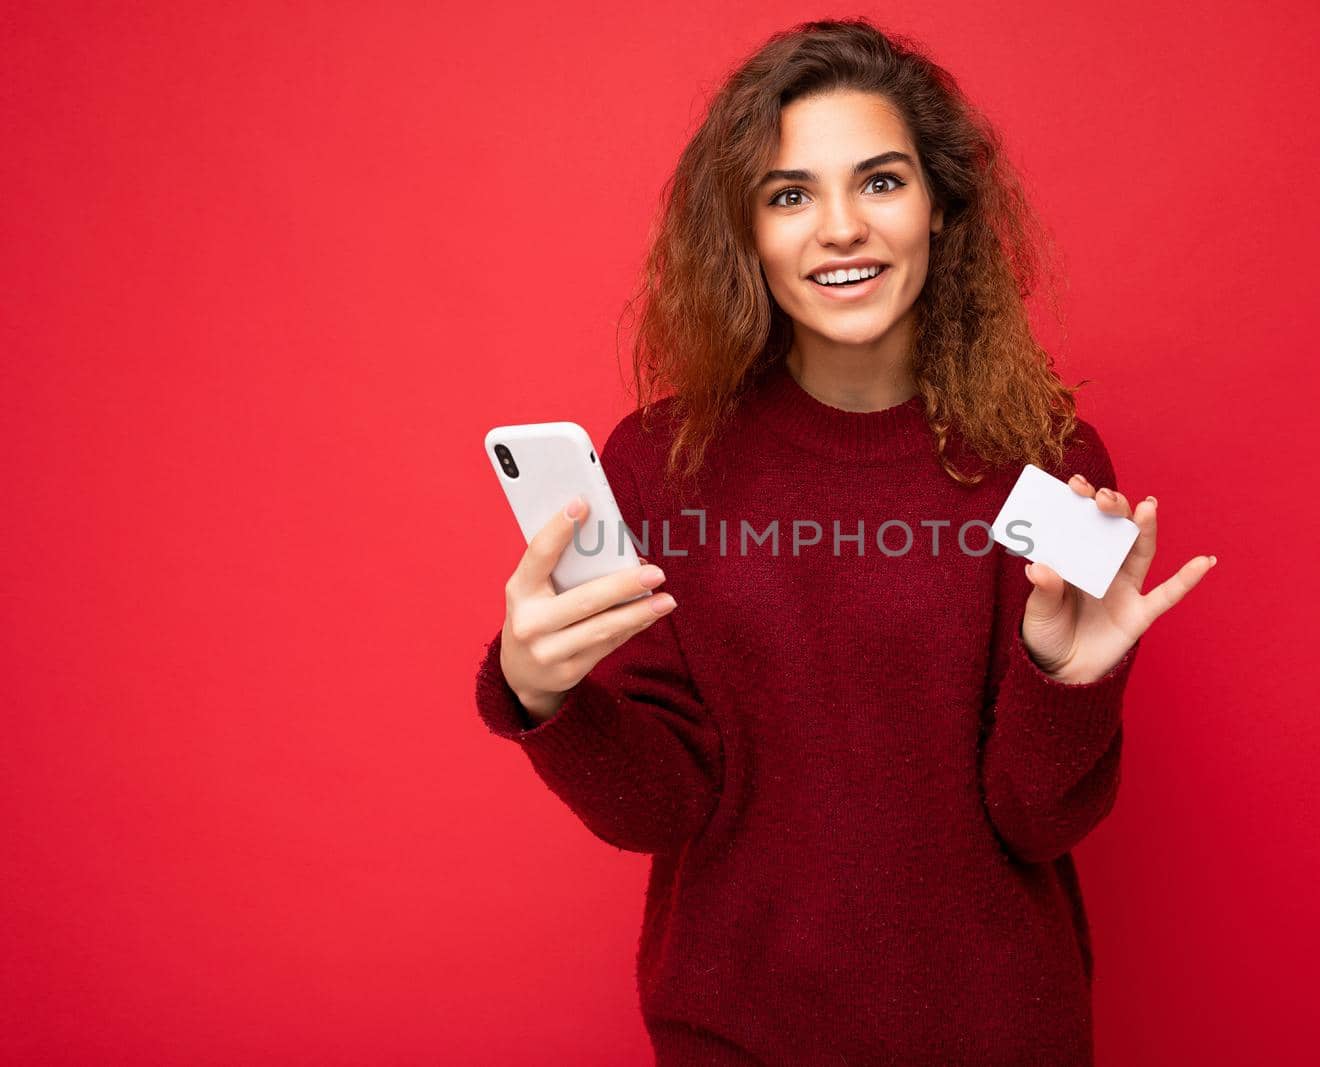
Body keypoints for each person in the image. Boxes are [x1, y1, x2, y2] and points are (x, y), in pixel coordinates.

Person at [475, 18, 1215, 1065]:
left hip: (1000, 1029)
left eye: (879, 182)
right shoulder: (660, 461)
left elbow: (1037, 819)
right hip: (733, 1029)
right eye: (789, 194)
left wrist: (1066, 677)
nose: (839, 228)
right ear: (745, 230)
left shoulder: (1043, 459)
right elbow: (661, 804)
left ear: (941, 208)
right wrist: (540, 690)